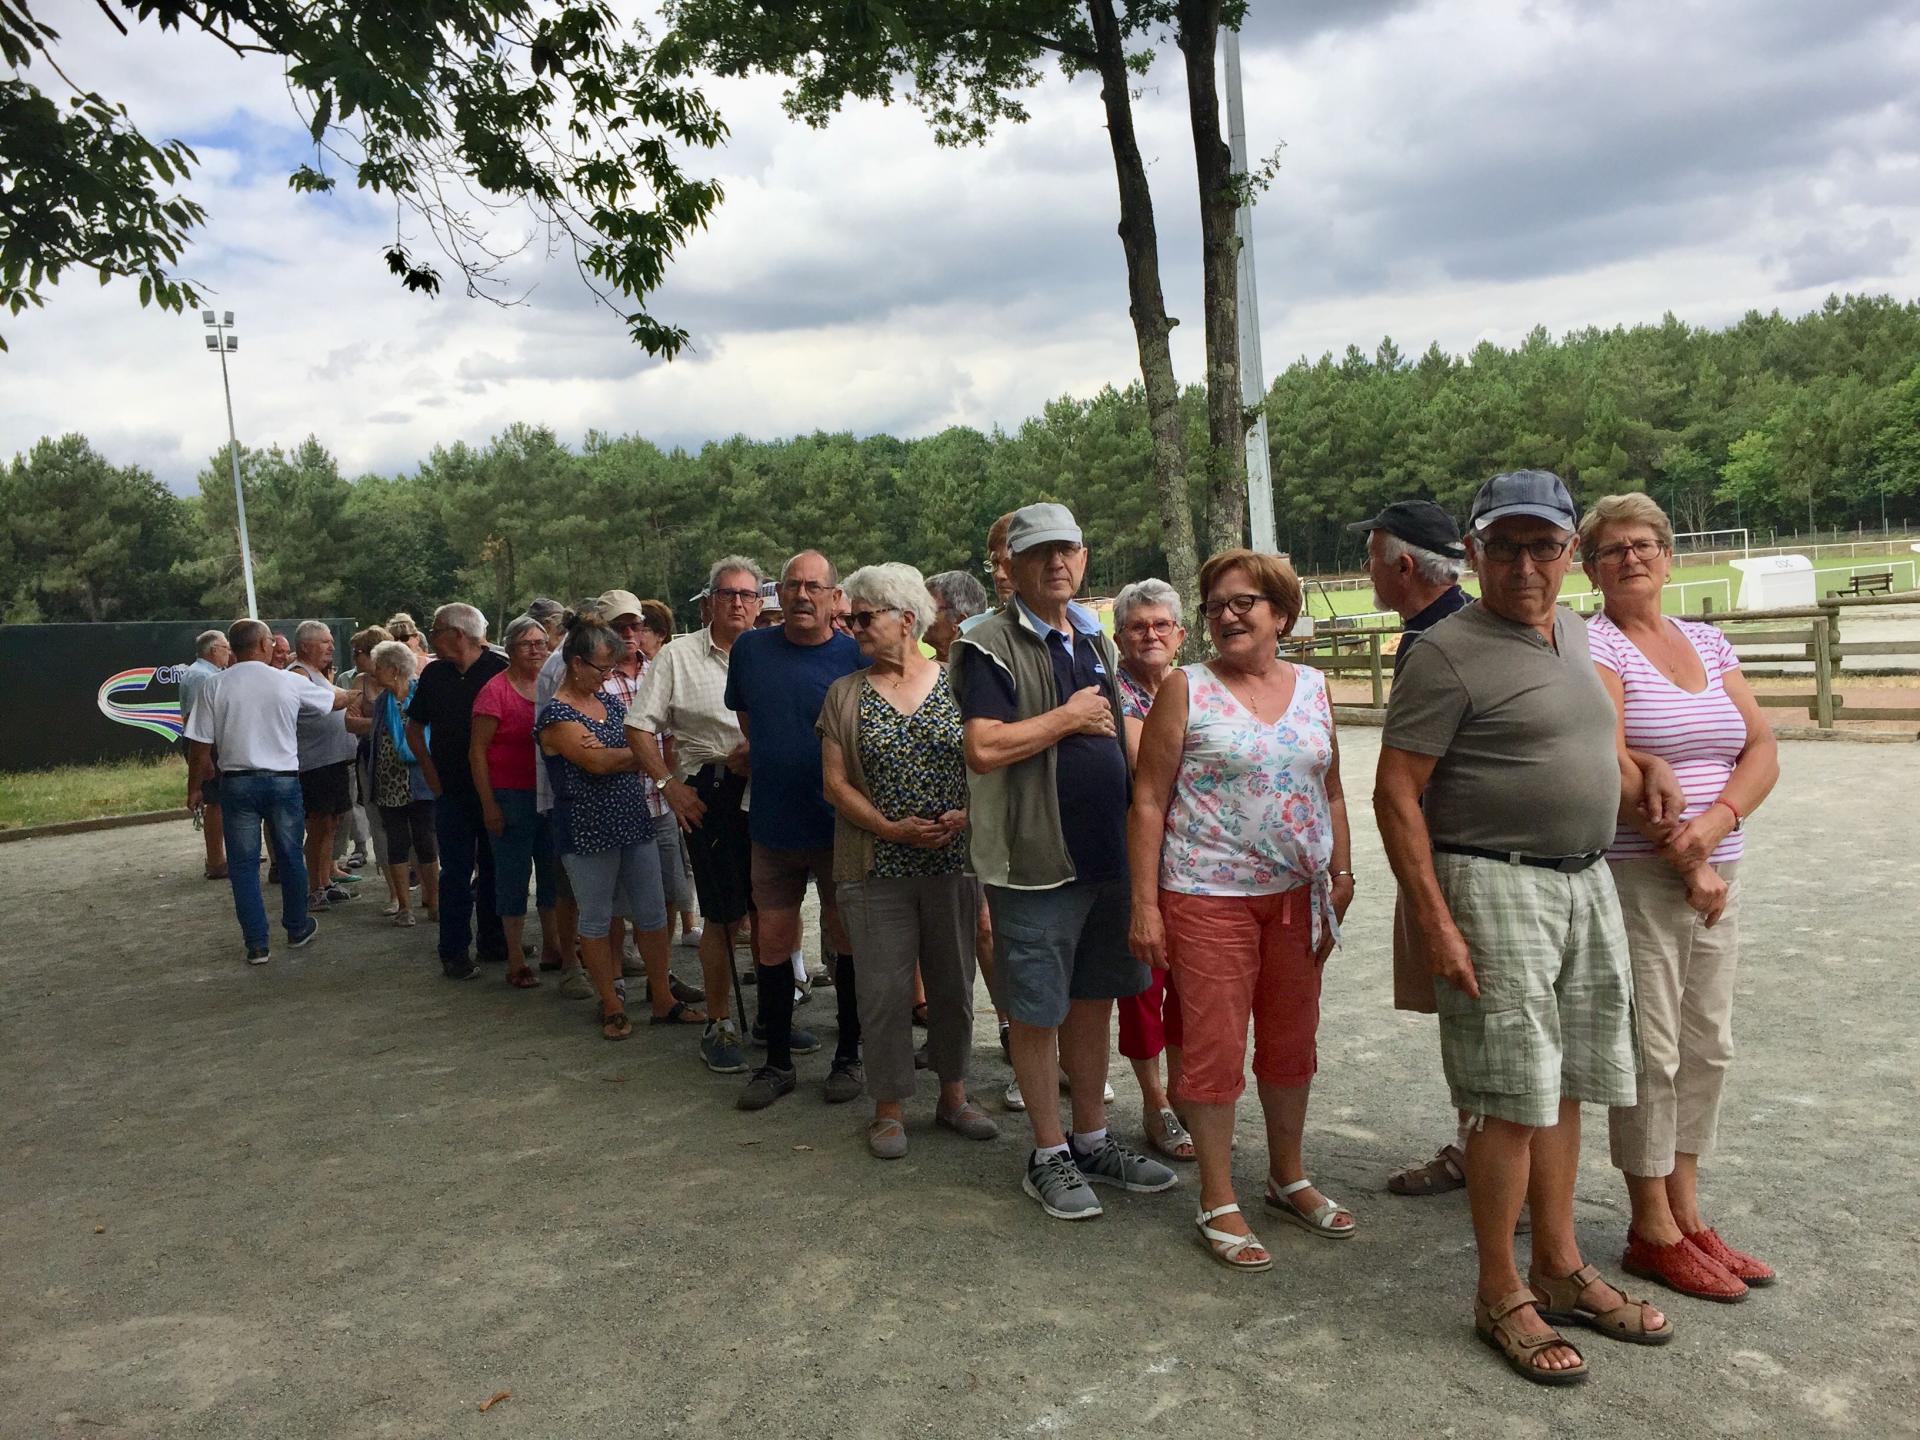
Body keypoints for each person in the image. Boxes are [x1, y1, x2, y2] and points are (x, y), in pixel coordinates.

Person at [1374, 469, 1677, 1386]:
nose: (1523, 565)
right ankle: (1501, 1290)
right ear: (1472, 553)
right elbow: (1395, 792)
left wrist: (1642, 766)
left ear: (1567, 553)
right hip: (1494, 882)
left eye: (1541, 545)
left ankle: (1559, 1264)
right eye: (1501, 546)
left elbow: (1579, 740)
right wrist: (1435, 920)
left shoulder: (1576, 633)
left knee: (1570, 1083)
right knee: (1509, 1097)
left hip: (1585, 885)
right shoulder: (1446, 650)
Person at [1128, 552, 1355, 1270]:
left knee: (1291, 1043)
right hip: (1207, 895)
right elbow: (1148, 801)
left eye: (1244, 602)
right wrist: (1146, 905)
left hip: (1300, 899)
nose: (1226, 614)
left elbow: (1336, 790)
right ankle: (1217, 1197)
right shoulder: (1185, 690)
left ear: (1281, 614)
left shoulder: (1315, 686)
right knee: (1215, 1048)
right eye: (1216, 605)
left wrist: (1342, 871)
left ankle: (1288, 1177)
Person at [951, 502, 1177, 1221]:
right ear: (1011, 566)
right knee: (1039, 1010)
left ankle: (1090, 1138)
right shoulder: (985, 642)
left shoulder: (1092, 636)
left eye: (1067, 550)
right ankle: (1046, 1153)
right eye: (1039, 551)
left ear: (1083, 558)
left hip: (1104, 856)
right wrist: (1069, 721)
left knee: (1094, 999)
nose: (1056, 562)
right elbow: (983, 747)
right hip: (1034, 860)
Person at [1580, 493, 1780, 1300]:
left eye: (1645, 544)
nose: (1632, 558)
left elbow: (1762, 744)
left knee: (1709, 1044)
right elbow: (1608, 755)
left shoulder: (1705, 638)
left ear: (1670, 556)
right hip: (1643, 875)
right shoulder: (1594, 644)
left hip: (1716, 871)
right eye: (1613, 548)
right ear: (1591, 567)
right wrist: (1684, 854)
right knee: (1654, 1049)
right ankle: (1649, 1225)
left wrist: (1720, 824)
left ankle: (1689, 1213)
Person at [818, 563, 997, 1157]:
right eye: (850, 618)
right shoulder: (845, 693)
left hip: (953, 867)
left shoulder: (959, 682)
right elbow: (835, 785)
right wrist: (891, 828)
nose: (854, 629)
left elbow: (989, 763)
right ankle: (888, 1107)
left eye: (864, 618)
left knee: (952, 987)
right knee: (884, 991)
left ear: (907, 620)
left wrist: (967, 814)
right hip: (875, 870)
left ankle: (953, 1096)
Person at [1344, 501, 1480, 1198]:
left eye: (1371, 557)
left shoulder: (1449, 639)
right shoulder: (1443, 628)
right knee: (1467, 1013)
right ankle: (1475, 1149)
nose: (1367, 570)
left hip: (1464, 856)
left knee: (1480, 1013)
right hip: (1445, 847)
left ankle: (1494, 1165)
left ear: (1403, 565)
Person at [722, 550, 867, 1112]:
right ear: (776, 594)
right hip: (774, 825)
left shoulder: (856, 657)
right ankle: (777, 1061)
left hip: (841, 828)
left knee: (846, 941)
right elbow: (750, 719)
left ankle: (849, 1054)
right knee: (774, 941)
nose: (803, 595)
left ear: (836, 598)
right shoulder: (751, 650)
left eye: (815, 586)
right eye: (792, 585)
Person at [536, 612, 702, 1039]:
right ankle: (610, 1003)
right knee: (595, 917)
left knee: (651, 912)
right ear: (576, 664)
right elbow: (598, 761)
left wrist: (627, 752)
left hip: (632, 818)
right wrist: (637, 753)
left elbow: (628, 750)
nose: (608, 677)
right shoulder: (555, 716)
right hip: (587, 829)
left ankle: (662, 997)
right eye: (602, 668)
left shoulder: (608, 703)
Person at [628, 556, 764, 1075]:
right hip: (711, 791)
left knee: (775, 911)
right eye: (727, 593)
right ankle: (721, 1023)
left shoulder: (771, 652)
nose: (737, 603)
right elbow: (638, 728)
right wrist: (669, 786)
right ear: (708, 600)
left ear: (758, 602)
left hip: (769, 787)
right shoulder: (678, 656)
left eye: (747, 595)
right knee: (724, 916)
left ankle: (771, 1017)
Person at [184, 618, 354, 962]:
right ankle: (296, 926)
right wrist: (363, 691)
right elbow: (334, 702)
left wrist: (196, 788)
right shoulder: (286, 681)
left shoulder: (214, 686)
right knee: (291, 855)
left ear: (234, 647)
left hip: (237, 783)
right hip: (282, 780)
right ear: (263, 644)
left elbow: (198, 746)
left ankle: (257, 943)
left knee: (244, 865)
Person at [1109, 578, 1193, 1163]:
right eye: (1138, 626)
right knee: (1144, 985)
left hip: (1197, 862)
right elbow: (1147, 766)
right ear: (1119, 638)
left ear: (1181, 634)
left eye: (1161, 624)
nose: (1151, 635)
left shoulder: (1197, 688)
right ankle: (1154, 1099)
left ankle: (1187, 1091)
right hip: (1135, 858)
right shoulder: (1115, 696)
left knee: (1193, 985)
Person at [406, 603, 509, 981]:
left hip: (497, 789)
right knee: (455, 872)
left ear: (458, 634)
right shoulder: (434, 674)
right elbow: (414, 728)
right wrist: (432, 777)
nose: (431, 637)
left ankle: (494, 939)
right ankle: (453, 951)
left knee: (496, 867)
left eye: (435, 630)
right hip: (451, 792)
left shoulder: (499, 670)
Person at [472, 614, 560, 989]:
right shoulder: (495, 691)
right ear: (509, 650)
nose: (536, 650)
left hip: (551, 795)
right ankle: (514, 956)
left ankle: (554, 947)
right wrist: (489, 805)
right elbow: (476, 752)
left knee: (554, 873)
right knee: (512, 876)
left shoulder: (553, 685)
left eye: (541, 643)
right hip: (510, 796)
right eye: (526, 644)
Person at [636, 599, 705, 960]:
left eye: (639, 627)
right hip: (655, 796)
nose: (632, 635)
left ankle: (662, 973)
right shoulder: (671, 661)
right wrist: (668, 783)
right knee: (641, 893)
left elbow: (671, 739)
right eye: (624, 627)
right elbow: (640, 732)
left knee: (674, 881)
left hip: (668, 798)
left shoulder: (657, 666)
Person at [287, 621, 361, 913]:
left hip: (332, 760)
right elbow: (336, 701)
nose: (331, 647)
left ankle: (325, 881)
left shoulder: (316, 673)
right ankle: (314, 888)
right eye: (324, 642)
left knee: (331, 823)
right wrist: (363, 687)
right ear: (305, 646)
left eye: (331, 641)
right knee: (318, 825)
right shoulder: (297, 675)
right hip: (315, 763)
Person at [368, 639, 440, 927]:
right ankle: (405, 907)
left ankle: (434, 902)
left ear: (395, 669)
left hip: (421, 779)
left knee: (426, 841)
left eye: (379, 667)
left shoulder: (423, 694)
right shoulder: (381, 702)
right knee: (396, 843)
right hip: (389, 783)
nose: (374, 673)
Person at [179, 628, 233, 880]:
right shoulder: (202, 676)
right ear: (213, 650)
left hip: (206, 743)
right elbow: (194, 718)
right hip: (206, 744)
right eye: (225, 648)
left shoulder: (202, 673)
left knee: (220, 801)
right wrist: (205, 758)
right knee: (216, 803)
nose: (229, 652)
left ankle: (221, 855)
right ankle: (216, 860)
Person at [923, 570, 989, 664]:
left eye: (929, 609)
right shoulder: (919, 673)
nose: (920, 615)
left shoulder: (980, 674)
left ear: (959, 621)